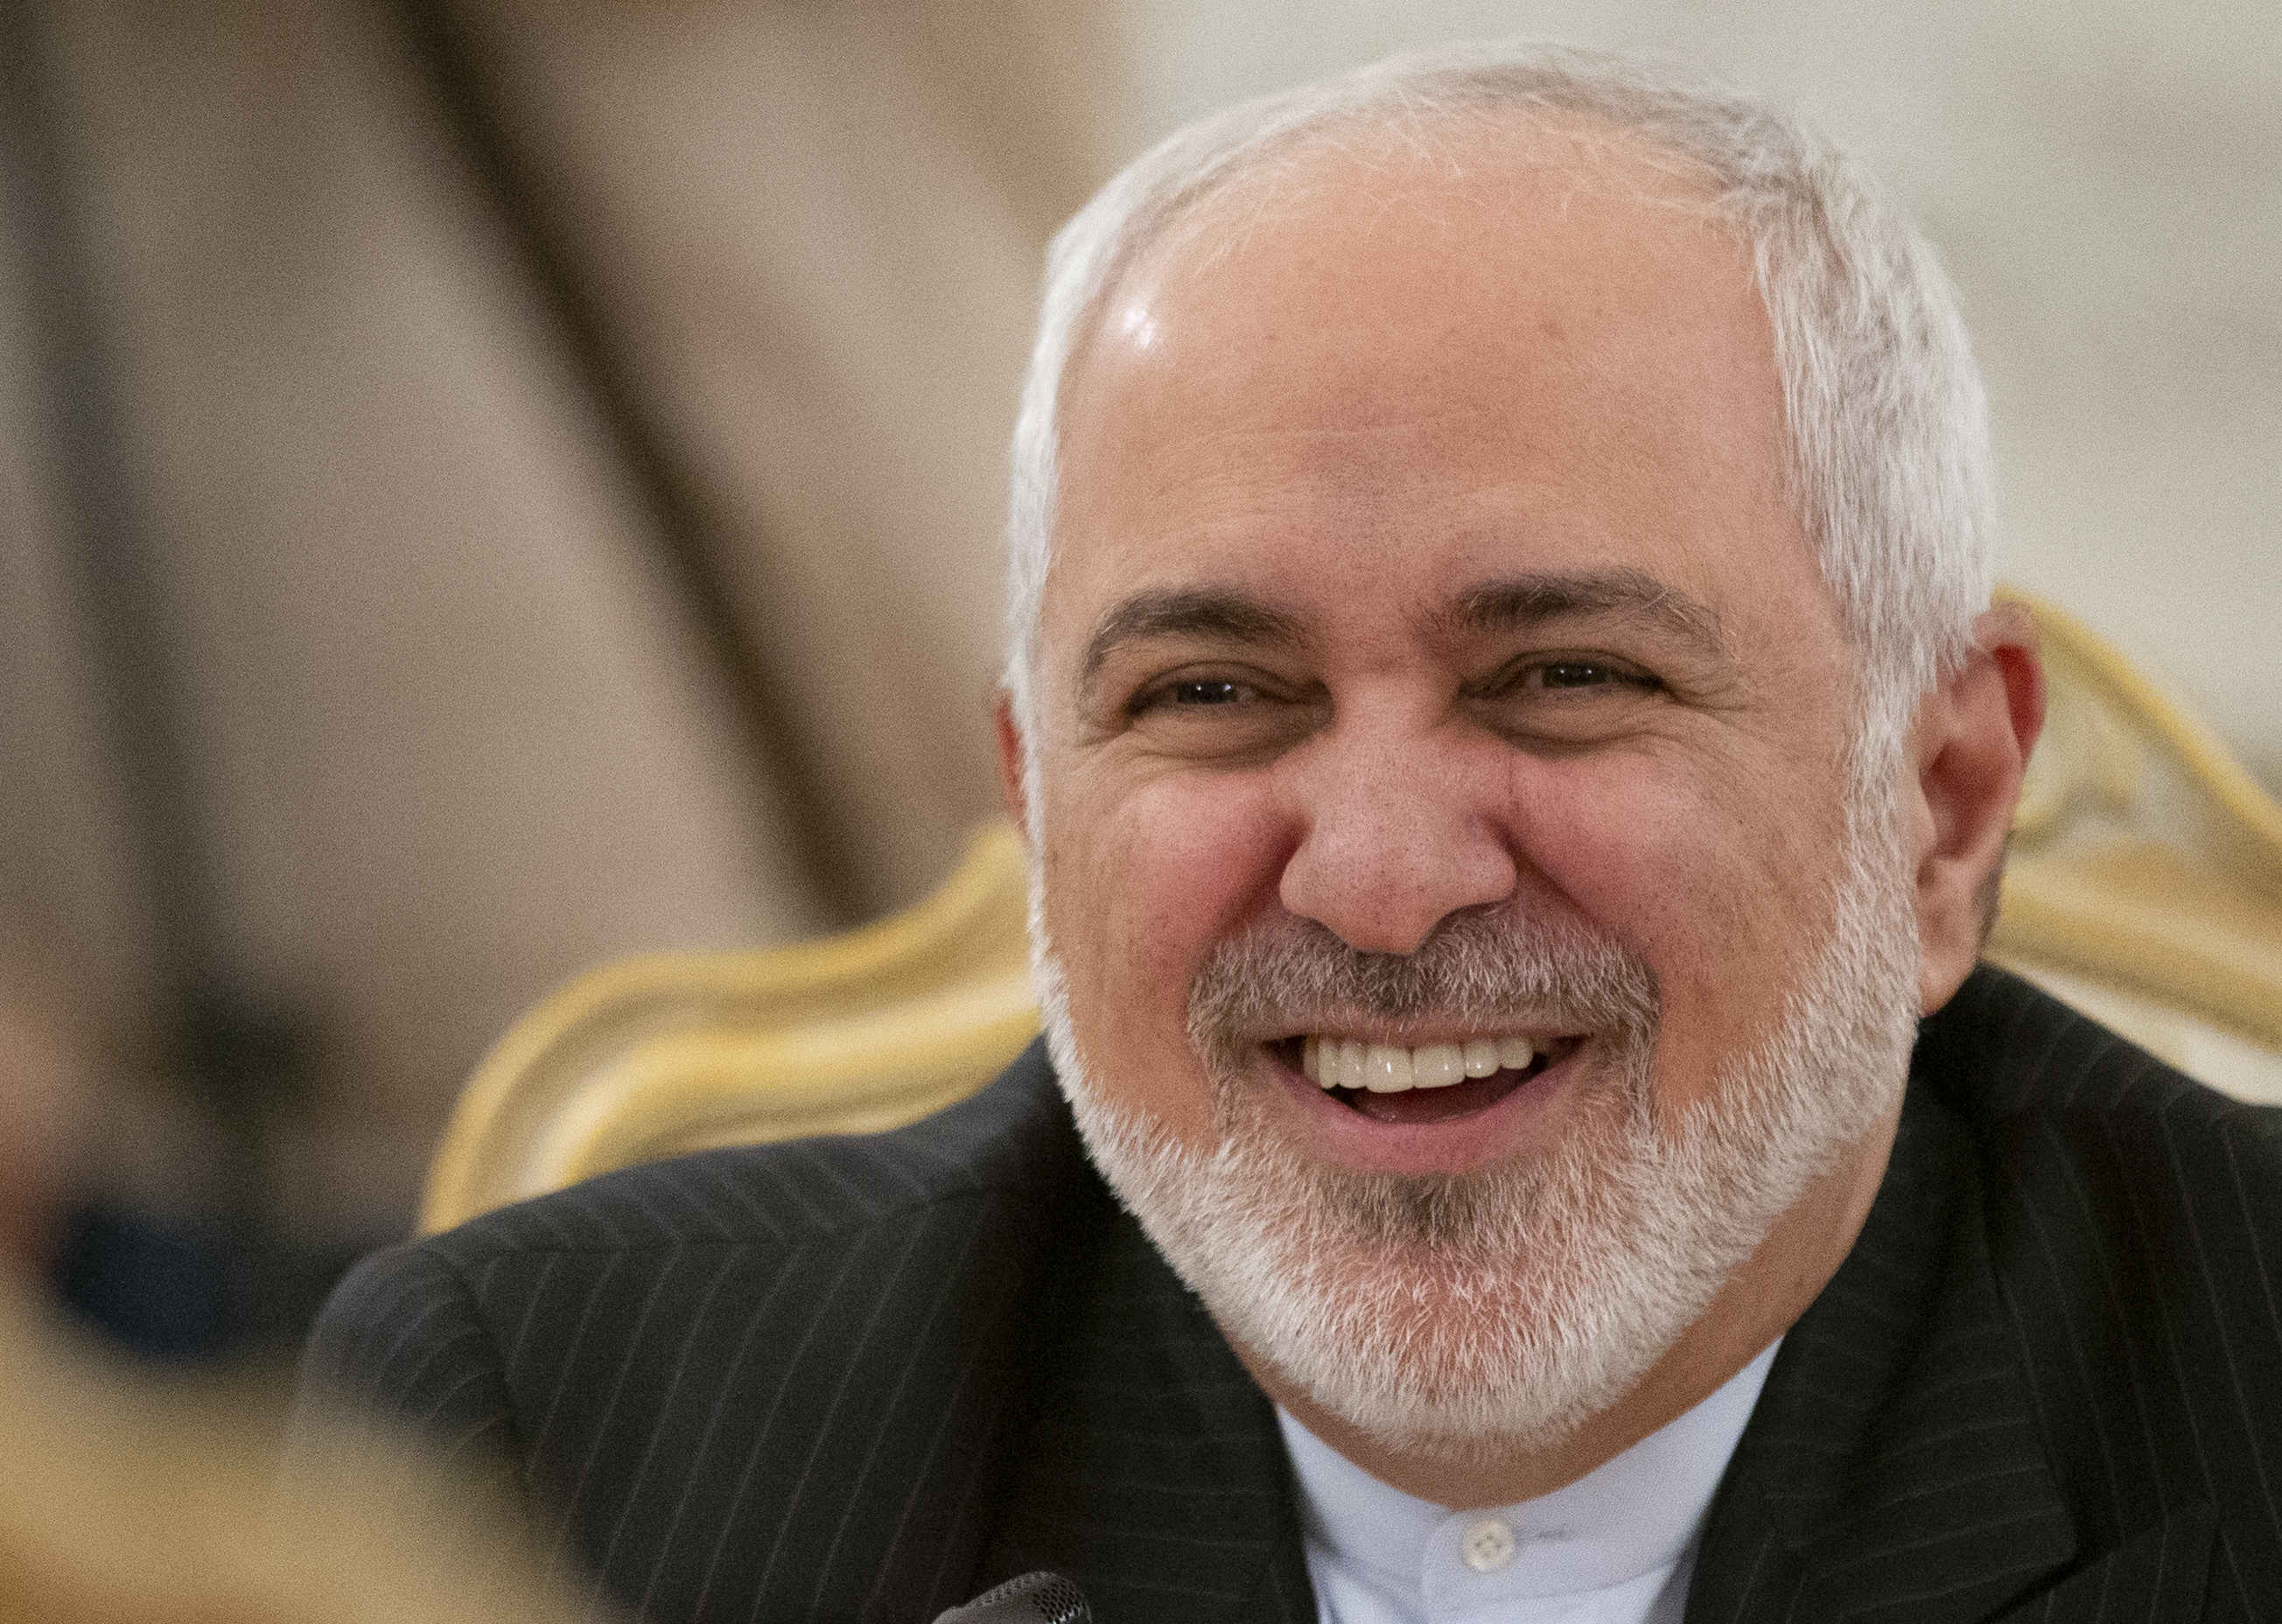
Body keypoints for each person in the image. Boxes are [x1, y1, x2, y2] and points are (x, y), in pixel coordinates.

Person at [301, 41, 2282, 1623]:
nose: (1378, 876)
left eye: (1562, 676)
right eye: (1212, 696)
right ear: (1038, 805)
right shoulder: (549, 1434)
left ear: (1936, 813)